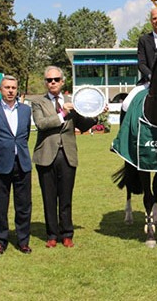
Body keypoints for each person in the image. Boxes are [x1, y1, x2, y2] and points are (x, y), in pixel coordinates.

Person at [32, 66, 99, 248]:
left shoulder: (73, 101)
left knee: (66, 197)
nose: (52, 82)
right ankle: (52, 235)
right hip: (46, 155)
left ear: (62, 81)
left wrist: (96, 115)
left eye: (55, 79)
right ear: (45, 82)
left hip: (67, 155)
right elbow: (42, 124)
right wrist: (63, 113)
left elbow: (83, 125)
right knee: (49, 198)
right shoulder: (38, 102)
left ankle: (67, 234)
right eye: (49, 80)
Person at [0, 75, 33, 255]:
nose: (10, 91)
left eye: (13, 87)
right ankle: (0, 242)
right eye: (7, 87)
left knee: (24, 206)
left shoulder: (26, 110)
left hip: (22, 164)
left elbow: (25, 135)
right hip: (0, 165)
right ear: (0, 90)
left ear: (17, 89)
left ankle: (23, 241)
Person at [121, 7, 157, 113]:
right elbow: (141, 63)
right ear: (151, 21)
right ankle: (124, 130)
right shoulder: (143, 40)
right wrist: (151, 77)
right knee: (126, 104)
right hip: (147, 83)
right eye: (154, 18)